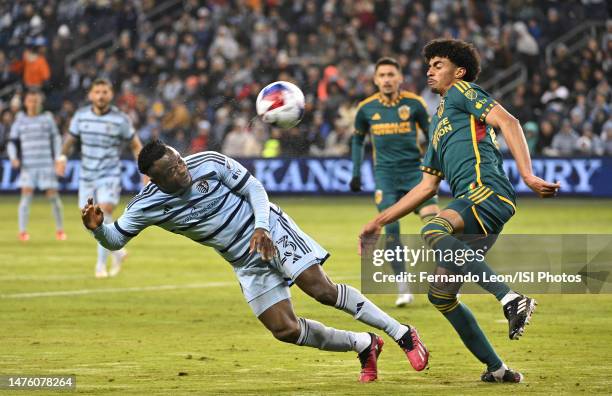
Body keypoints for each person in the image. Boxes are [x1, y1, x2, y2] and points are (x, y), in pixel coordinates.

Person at [81, 140, 430, 383]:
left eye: (179, 160)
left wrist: (261, 226)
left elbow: (255, 189)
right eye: (171, 170)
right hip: (242, 260)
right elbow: (116, 239)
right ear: (154, 180)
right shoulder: (146, 205)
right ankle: (364, 344)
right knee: (285, 330)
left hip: (269, 230)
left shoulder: (209, 162)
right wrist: (98, 229)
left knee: (321, 289)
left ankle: (402, 334)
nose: (181, 169)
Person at [360, 39, 560, 383]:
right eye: (429, 65)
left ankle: (511, 298)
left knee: (432, 230)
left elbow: (508, 122)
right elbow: (425, 188)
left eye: (438, 64)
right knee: (440, 294)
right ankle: (497, 369)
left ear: (459, 71)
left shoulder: (462, 91)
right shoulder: (438, 124)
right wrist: (377, 221)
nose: (430, 70)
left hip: (486, 192)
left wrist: (527, 174)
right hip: (477, 208)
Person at [351, 57, 440, 307]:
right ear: (375, 79)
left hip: (415, 174)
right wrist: (356, 172)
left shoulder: (414, 103)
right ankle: (403, 285)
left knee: (435, 224)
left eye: (391, 75)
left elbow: (432, 133)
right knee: (390, 227)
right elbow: (357, 140)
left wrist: (435, 165)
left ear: (400, 78)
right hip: (386, 176)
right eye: (382, 75)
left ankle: (447, 277)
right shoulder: (366, 109)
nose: (387, 79)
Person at [57, 78, 144, 278]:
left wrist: (144, 171)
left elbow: (135, 145)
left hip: (110, 173)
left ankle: (100, 266)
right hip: (87, 174)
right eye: (97, 92)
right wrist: (61, 157)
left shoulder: (120, 119)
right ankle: (117, 251)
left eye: (105, 92)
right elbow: (70, 140)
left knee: (102, 211)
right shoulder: (81, 117)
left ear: (111, 95)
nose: (101, 95)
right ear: (91, 95)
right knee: (88, 218)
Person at [7, 90, 65, 241]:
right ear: (26, 103)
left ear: (40, 103)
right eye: (30, 101)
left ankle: (60, 230)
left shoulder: (47, 119)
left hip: (46, 165)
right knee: (26, 197)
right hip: (28, 166)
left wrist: (58, 158)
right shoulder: (20, 120)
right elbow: (12, 142)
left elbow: (56, 139)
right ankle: (22, 232)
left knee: (53, 197)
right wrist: (13, 158)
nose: (33, 104)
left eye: (36, 101)